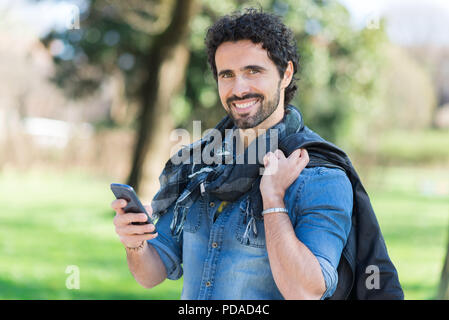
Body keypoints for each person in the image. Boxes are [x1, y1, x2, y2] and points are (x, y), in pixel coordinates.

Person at [111, 9, 397, 300]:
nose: (239, 88)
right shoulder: (199, 167)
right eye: (227, 75)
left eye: (253, 71)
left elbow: (306, 292)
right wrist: (135, 244)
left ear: (285, 74)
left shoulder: (319, 175)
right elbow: (151, 273)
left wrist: (273, 200)